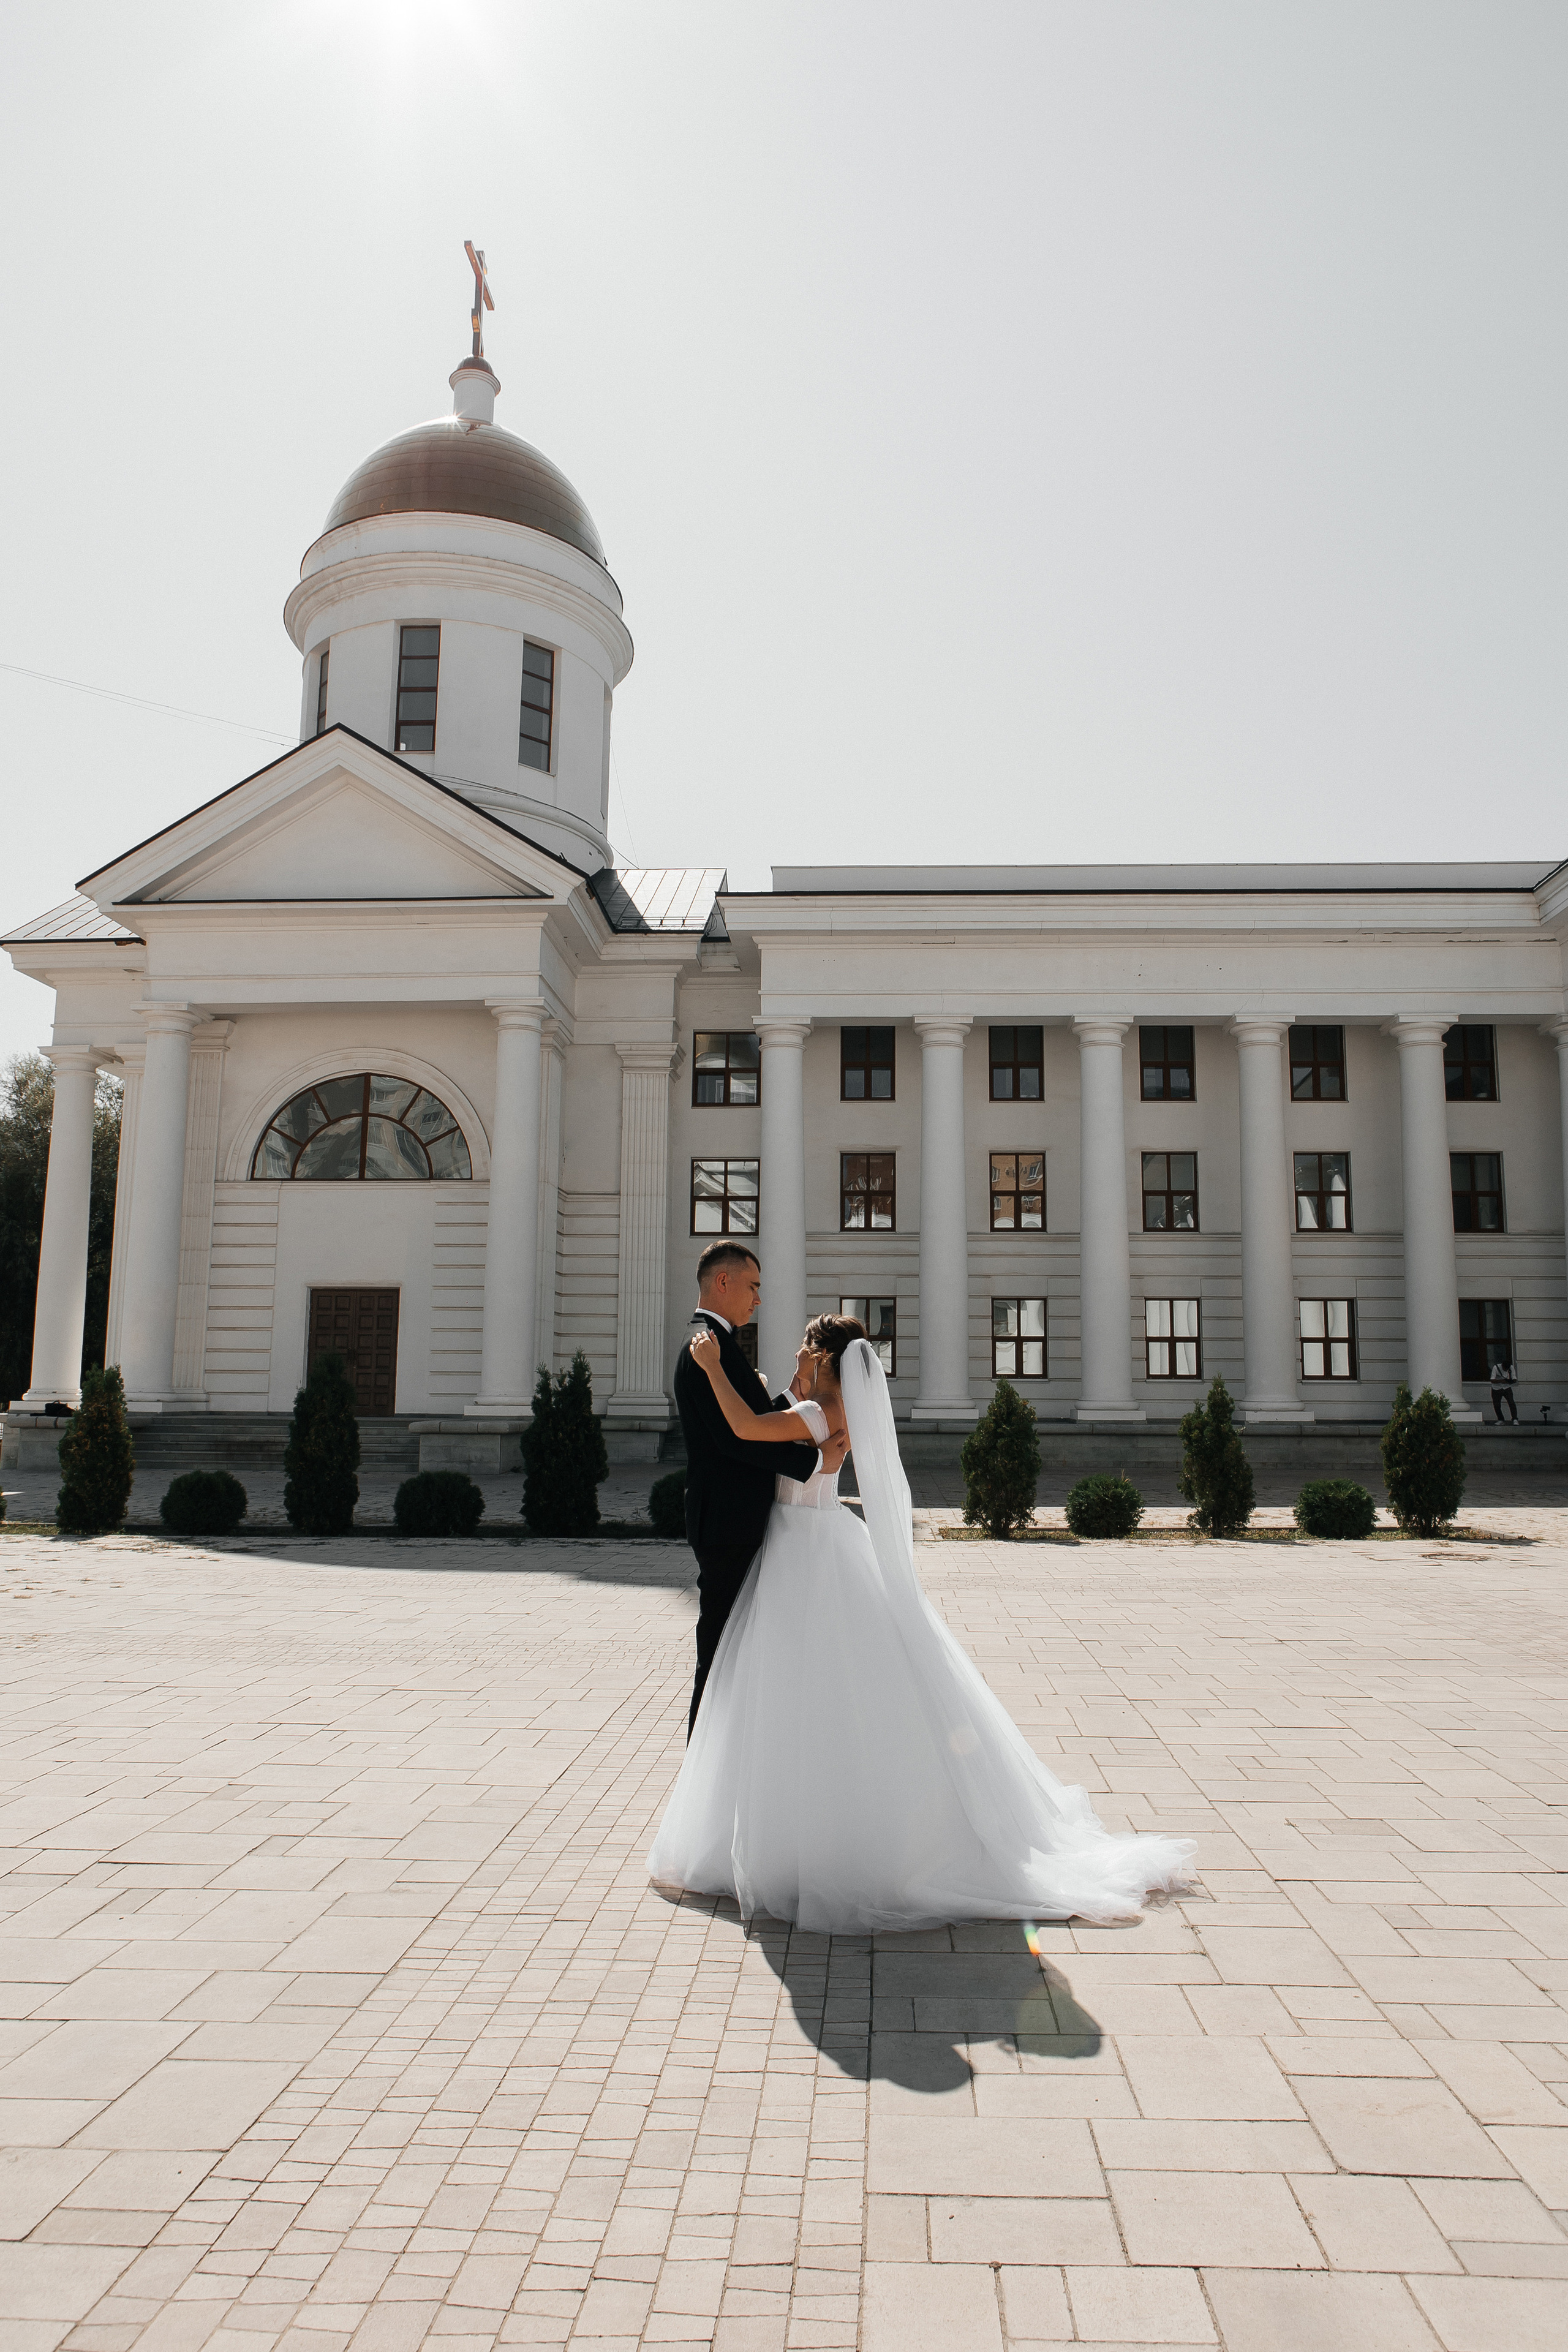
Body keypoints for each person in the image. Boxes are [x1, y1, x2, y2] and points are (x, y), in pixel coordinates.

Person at [650, 1315, 1195, 1932]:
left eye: (806, 1350)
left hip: (799, 1550)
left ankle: (803, 1839)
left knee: (791, 1694)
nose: (798, 1357)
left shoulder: (812, 1417)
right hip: (822, 1539)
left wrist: (714, 1369)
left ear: (825, 1361)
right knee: (826, 1691)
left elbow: (746, 1428)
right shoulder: (827, 1412)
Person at [672, 1241, 849, 1737]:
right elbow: (739, 1437)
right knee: (720, 1649)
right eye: (753, 1287)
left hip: (731, 1517)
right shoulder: (710, 1346)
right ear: (722, 1282)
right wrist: (816, 1460)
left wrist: (795, 1387)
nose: (759, 1299)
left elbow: (756, 1419)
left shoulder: (718, 1344)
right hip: (728, 1522)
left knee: (733, 1647)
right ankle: (703, 1762)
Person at [1490, 1357, 1519, 1422]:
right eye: (1505, 1369)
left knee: (1511, 1403)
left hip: (1507, 1387)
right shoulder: (1496, 1367)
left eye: (1507, 1369)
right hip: (1496, 1388)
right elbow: (1492, 1380)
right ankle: (1501, 1419)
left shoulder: (1511, 1367)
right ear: (1502, 1365)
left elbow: (1514, 1377)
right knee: (1497, 1405)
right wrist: (1501, 1381)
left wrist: (1512, 1381)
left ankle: (1515, 1419)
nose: (1506, 1370)